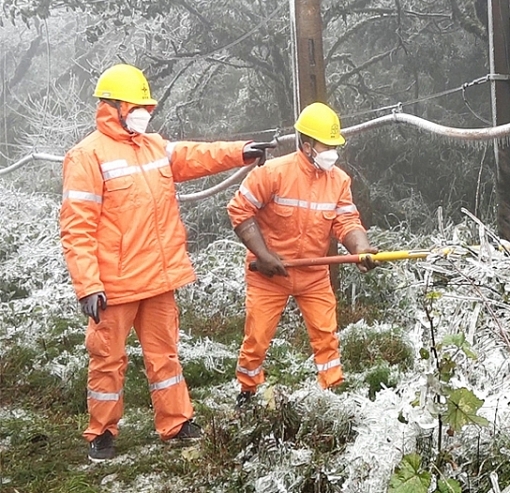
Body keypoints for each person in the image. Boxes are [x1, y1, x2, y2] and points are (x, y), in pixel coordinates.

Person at [59, 63, 274, 463]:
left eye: (146, 105)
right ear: (114, 107)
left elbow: (197, 155)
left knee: (166, 356)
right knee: (108, 360)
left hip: (158, 279)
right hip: (115, 285)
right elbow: (77, 227)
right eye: (137, 105)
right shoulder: (86, 156)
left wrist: (242, 150)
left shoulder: (154, 145)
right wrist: (88, 284)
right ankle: (101, 432)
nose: (144, 111)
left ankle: (175, 422)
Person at [227, 102, 377, 402]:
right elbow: (239, 210)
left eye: (336, 145)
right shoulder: (273, 173)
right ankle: (248, 389)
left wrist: (360, 249)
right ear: (306, 145)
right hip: (269, 275)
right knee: (256, 339)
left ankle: (332, 391)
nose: (333, 151)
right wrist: (263, 254)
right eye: (327, 145)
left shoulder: (339, 181)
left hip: (313, 275)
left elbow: (346, 220)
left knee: (326, 335)